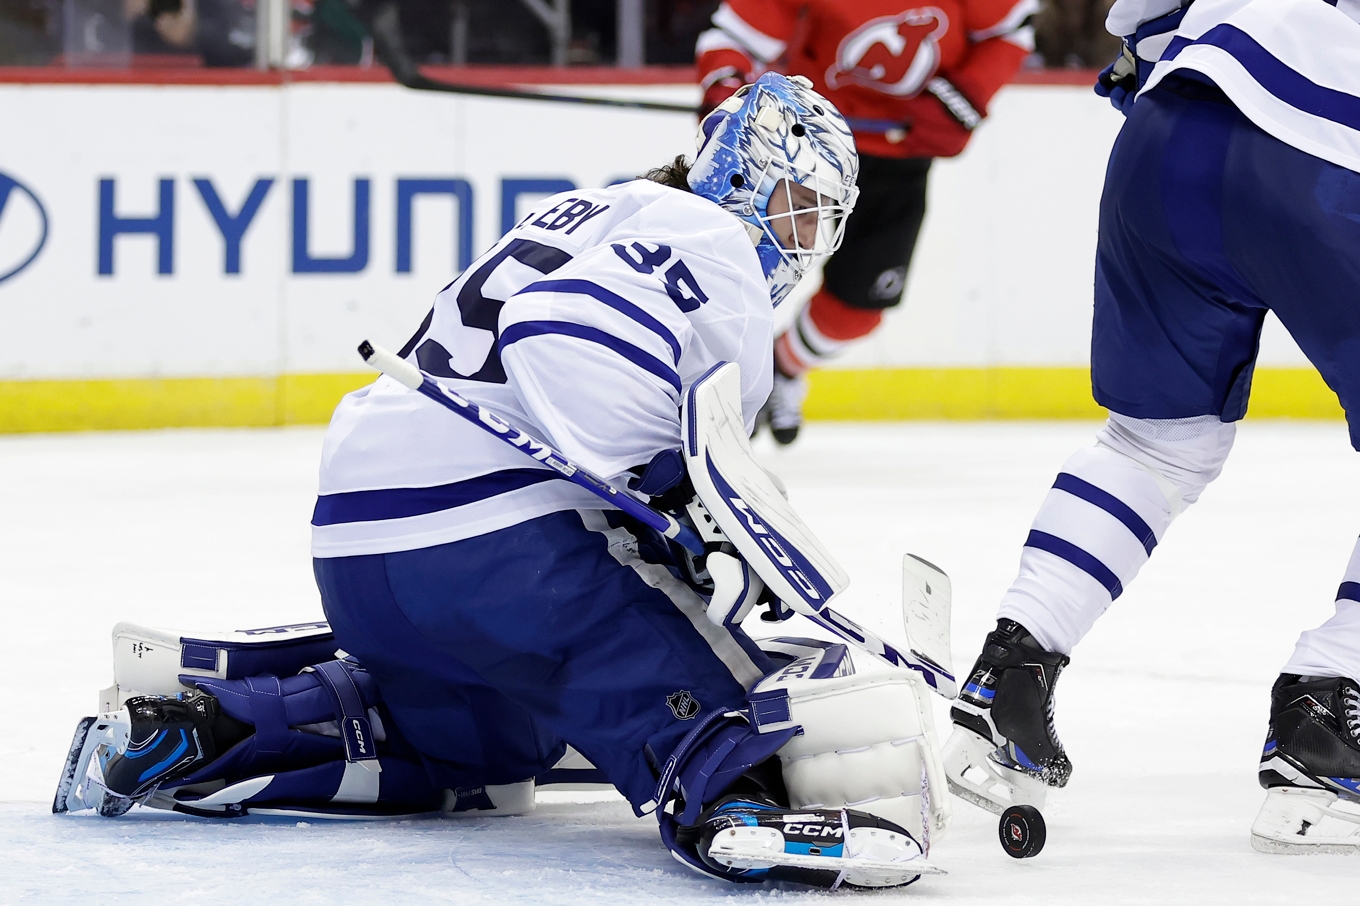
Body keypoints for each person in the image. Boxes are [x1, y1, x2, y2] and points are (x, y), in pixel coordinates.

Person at [54, 73, 951, 889]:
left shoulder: (592, 211)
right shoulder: (711, 241)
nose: (803, 237)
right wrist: (683, 515)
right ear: (743, 177)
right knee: (710, 693)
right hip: (500, 545)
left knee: (489, 751)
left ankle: (213, 729)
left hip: (362, 546)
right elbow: (559, 335)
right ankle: (737, 805)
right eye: (797, 205)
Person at [942, 0, 1360, 853]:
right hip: (1330, 150)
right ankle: (1330, 697)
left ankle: (1014, 666)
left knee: (1155, 443)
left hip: (1167, 133)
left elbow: (1138, 15)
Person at [695, 0, 1038, 443]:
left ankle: (778, 368)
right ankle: (697, 380)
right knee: (729, 275)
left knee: (856, 312)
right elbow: (734, 37)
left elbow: (1010, 33)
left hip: (898, 160)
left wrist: (963, 97)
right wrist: (726, 85)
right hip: (797, 154)